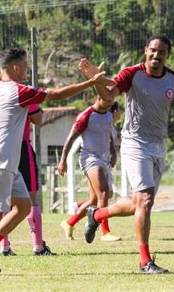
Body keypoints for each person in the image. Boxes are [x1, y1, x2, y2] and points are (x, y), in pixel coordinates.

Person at [78, 34, 174, 274]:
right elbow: (109, 94)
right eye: (152, 50)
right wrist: (95, 79)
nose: (156, 55)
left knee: (137, 203)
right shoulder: (132, 74)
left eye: (161, 52)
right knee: (146, 201)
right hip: (134, 144)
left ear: (167, 56)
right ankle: (144, 261)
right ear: (145, 50)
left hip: (158, 146)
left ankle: (97, 214)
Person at [0, 47, 108, 276]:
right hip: (0, 161)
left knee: (24, 206)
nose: (27, 69)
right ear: (16, 68)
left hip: (4, 161)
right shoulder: (19, 91)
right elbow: (56, 94)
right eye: (25, 65)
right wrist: (90, 83)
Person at [0, 103, 53, 256]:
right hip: (21, 148)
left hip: (0, 149)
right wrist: (37, 108)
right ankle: (38, 246)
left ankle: (4, 247)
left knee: (4, 199)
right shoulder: (25, 96)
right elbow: (38, 119)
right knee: (31, 198)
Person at [58, 97, 121, 242]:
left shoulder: (108, 115)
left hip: (104, 159)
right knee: (104, 193)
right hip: (90, 158)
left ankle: (69, 223)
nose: (110, 104)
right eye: (108, 101)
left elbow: (109, 137)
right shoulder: (86, 115)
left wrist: (113, 153)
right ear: (100, 98)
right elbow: (71, 138)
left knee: (94, 200)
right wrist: (62, 161)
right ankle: (105, 232)